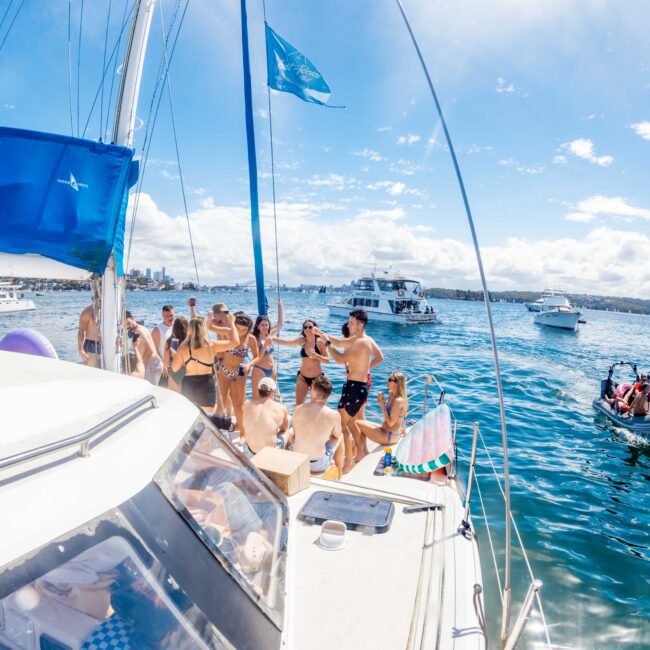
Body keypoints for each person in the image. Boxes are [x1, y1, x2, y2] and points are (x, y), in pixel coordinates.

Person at [314, 309, 384, 473]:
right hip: (355, 386)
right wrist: (321, 333)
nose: (348, 325)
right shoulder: (362, 339)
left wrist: (326, 344)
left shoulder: (361, 343)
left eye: (351, 323)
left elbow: (338, 358)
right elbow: (340, 341)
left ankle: (349, 462)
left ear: (360, 325)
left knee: (341, 423)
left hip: (356, 388)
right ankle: (361, 452)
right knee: (354, 422)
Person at [171, 313, 239, 413]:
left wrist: (177, 357)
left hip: (189, 384)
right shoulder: (212, 345)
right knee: (207, 417)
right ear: (203, 330)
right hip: (206, 384)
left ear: (190, 330)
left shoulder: (183, 347)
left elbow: (174, 369)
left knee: (191, 416)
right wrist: (232, 322)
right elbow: (235, 342)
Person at [216, 313, 258, 442]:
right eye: (238, 328)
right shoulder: (228, 334)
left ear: (249, 329)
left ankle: (242, 434)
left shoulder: (251, 339)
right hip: (224, 370)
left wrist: (249, 364)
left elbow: (257, 356)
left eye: (243, 330)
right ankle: (215, 431)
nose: (240, 332)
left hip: (240, 371)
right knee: (220, 402)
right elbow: (213, 327)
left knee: (238, 404)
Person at [292, 375, 343, 474]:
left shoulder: (298, 409)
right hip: (317, 464)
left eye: (311, 387)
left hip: (298, 461)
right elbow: (336, 435)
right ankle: (339, 472)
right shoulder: (333, 415)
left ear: (314, 390)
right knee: (340, 436)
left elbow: (295, 433)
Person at [274, 319, 329, 405]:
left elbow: (327, 360)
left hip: (317, 378)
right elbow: (285, 342)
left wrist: (317, 356)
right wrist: (268, 337)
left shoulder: (320, 342)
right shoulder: (302, 341)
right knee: (298, 404)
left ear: (315, 328)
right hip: (302, 377)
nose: (307, 329)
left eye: (310, 327)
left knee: (316, 405)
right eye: (305, 327)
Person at [356, 372, 408, 459]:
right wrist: (404, 430)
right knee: (361, 423)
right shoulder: (391, 394)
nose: (387, 381)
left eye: (390, 380)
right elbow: (400, 416)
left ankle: (361, 453)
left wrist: (382, 406)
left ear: (397, 383)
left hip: (389, 436)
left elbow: (391, 423)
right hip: (385, 430)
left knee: (357, 423)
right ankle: (362, 451)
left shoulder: (398, 400)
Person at [241, 378, 290, 457]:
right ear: (273, 391)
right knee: (287, 432)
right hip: (269, 456)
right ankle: (282, 459)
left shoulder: (246, 404)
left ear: (258, 390)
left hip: (249, 453)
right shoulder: (281, 408)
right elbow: (284, 428)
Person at [249, 302, 284, 398]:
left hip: (272, 370)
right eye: (262, 325)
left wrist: (280, 307)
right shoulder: (254, 338)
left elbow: (280, 324)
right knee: (256, 398)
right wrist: (265, 346)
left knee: (271, 399)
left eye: (267, 325)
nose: (265, 327)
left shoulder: (269, 334)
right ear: (257, 326)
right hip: (259, 370)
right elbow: (258, 357)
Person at [125, 311, 163, 385]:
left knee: (149, 390)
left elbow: (151, 351)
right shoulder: (138, 328)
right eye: (125, 325)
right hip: (153, 364)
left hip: (152, 365)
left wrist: (141, 364)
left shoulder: (139, 331)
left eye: (128, 323)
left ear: (133, 318)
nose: (127, 327)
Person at [163, 316, 189, 393]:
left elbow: (165, 363)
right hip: (188, 372)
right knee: (188, 400)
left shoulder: (169, 341)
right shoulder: (189, 343)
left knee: (175, 398)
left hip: (174, 372)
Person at [151, 304, 175, 385]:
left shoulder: (176, 327)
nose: (169, 318)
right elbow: (154, 350)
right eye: (167, 316)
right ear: (162, 315)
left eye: (171, 315)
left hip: (176, 366)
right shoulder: (157, 330)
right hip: (164, 368)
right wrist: (162, 365)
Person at [78, 298, 101, 367]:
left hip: (104, 346)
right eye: (99, 299)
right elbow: (81, 331)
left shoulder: (107, 311)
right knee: (91, 371)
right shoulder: (88, 311)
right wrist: (81, 350)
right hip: (91, 346)